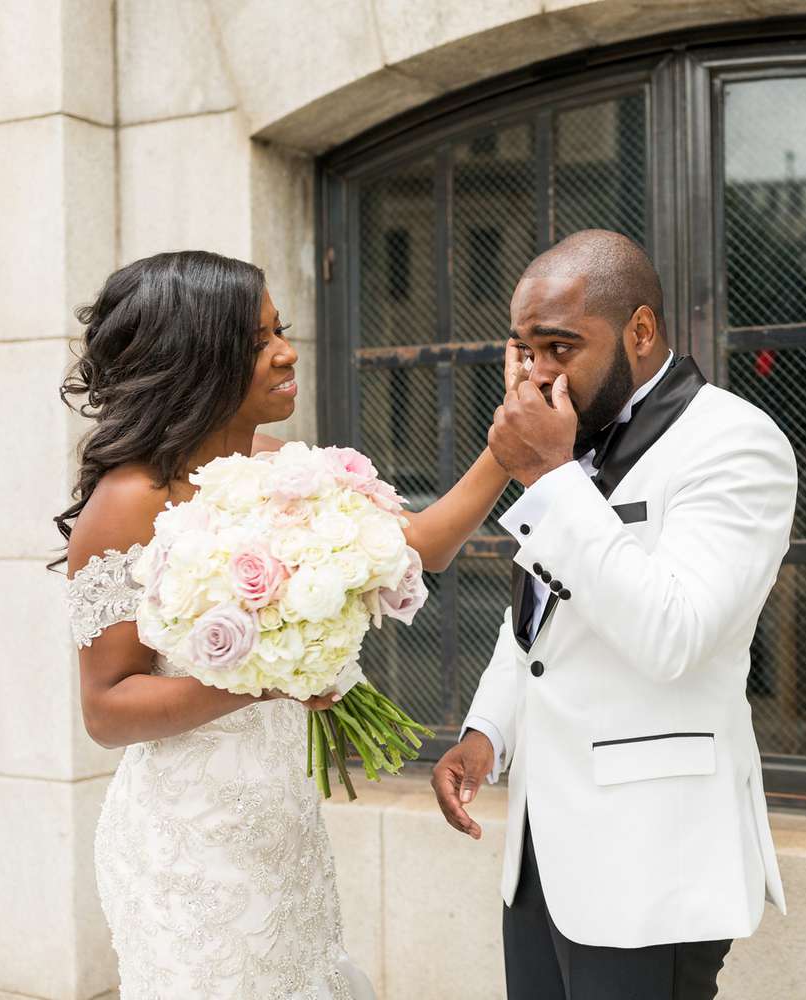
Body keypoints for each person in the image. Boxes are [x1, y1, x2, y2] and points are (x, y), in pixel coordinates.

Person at [58, 250, 516, 999]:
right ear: (196, 358)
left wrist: (505, 450)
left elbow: (421, 545)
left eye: (282, 329)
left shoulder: (292, 469)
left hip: (282, 823)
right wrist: (268, 678)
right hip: (188, 846)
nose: (287, 351)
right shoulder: (128, 502)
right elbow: (107, 710)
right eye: (258, 340)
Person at [430, 230, 798, 999]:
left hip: (648, 861)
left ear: (639, 330)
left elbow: (676, 634)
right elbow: (541, 617)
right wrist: (487, 730)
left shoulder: (734, 441)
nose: (535, 374)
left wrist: (551, 478)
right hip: (540, 853)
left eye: (560, 348)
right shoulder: (571, 446)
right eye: (524, 350)